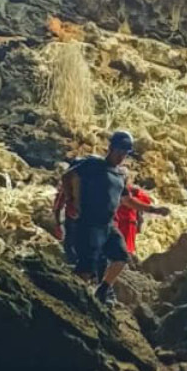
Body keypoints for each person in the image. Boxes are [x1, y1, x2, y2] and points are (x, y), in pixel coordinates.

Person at [57, 130, 140, 305]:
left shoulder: (119, 175)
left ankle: (102, 291)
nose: (122, 156)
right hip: (88, 223)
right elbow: (67, 176)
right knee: (86, 267)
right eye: (119, 152)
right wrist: (71, 200)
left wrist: (153, 209)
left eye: (125, 154)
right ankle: (71, 298)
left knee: (120, 257)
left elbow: (127, 200)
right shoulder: (93, 164)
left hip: (107, 225)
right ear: (111, 148)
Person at [114, 171, 172, 262]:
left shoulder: (118, 189)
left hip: (120, 224)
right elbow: (132, 203)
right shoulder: (126, 192)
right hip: (126, 225)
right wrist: (156, 210)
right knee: (123, 253)